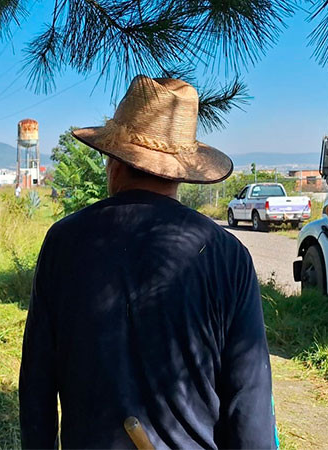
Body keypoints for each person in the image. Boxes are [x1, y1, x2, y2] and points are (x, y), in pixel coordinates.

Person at [19, 76, 278, 449]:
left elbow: (37, 387)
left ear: (113, 159)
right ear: (181, 171)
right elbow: (249, 408)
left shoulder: (64, 242)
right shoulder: (228, 256)